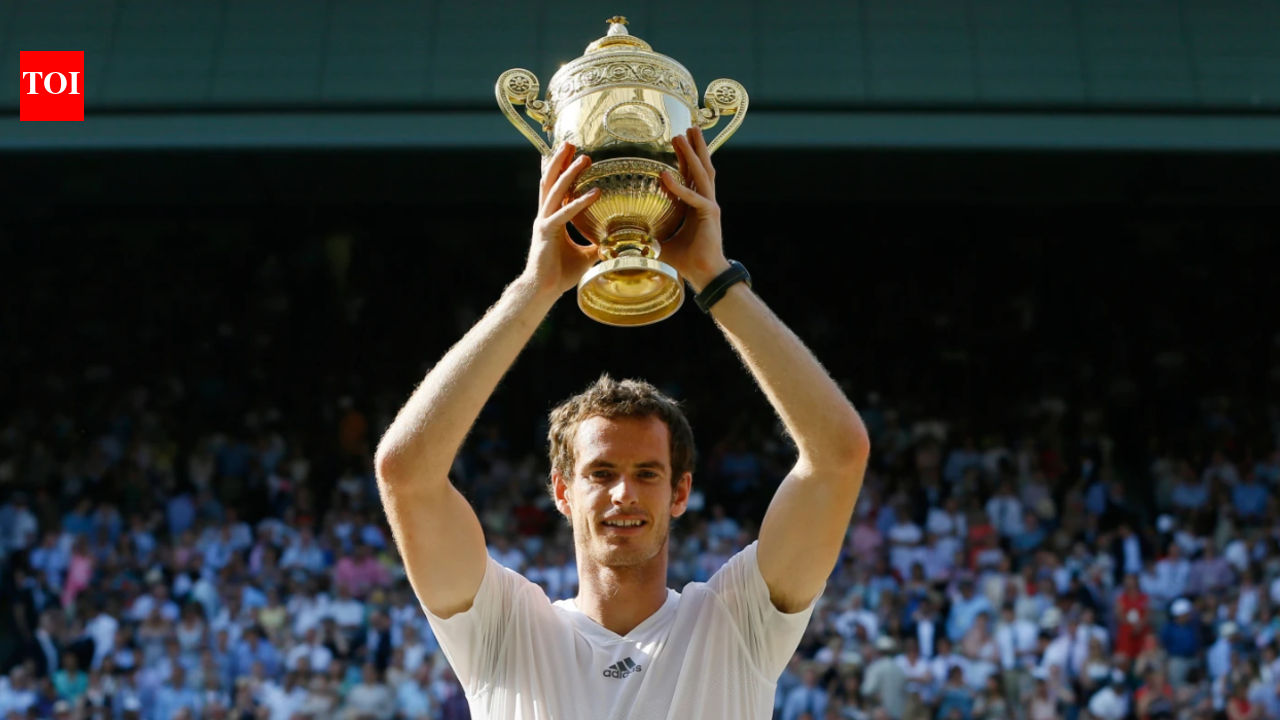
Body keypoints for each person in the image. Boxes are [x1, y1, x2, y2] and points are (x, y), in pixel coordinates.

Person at [375, 128, 871, 719]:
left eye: (647, 472)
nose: (624, 493)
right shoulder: (503, 629)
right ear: (561, 490)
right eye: (601, 471)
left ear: (680, 490)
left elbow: (838, 455)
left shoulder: (738, 622)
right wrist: (536, 287)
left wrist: (715, 278)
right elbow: (406, 474)